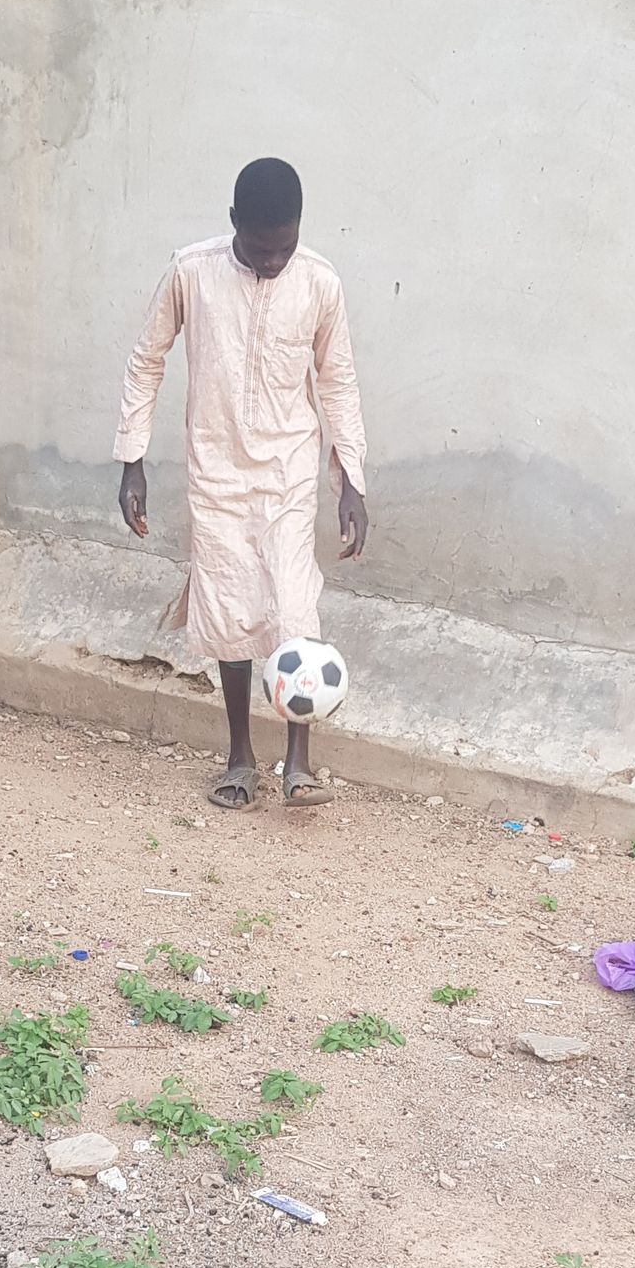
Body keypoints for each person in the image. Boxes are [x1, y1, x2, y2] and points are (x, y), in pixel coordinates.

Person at [113, 156, 369, 809]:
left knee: (294, 609)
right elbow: (146, 360)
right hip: (217, 470)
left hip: (289, 472)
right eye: (260, 249)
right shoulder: (191, 271)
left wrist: (351, 480)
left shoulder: (319, 282)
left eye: (285, 247)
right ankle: (239, 758)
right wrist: (132, 459)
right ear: (234, 224)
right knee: (229, 614)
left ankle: (299, 765)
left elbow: (337, 381)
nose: (273, 262)